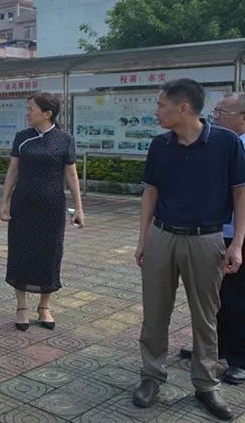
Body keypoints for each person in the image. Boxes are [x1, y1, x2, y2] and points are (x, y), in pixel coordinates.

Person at [132, 79, 244, 421]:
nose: (156, 112)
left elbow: (241, 194)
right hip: (162, 237)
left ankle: (206, 384)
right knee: (154, 314)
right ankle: (151, 376)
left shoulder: (225, 143)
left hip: (207, 239)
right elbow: (150, 193)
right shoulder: (160, 145)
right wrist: (143, 240)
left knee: (205, 317)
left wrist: (238, 243)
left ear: (183, 108)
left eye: (161, 105)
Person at [0, 92, 84, 331]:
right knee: (21, 253)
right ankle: (21, 306)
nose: (28, 113)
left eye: (31, 109)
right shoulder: (22, 138)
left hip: (52, 208)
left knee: (50, 253)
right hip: (23, 206)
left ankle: (44, 306)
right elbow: (13, 171)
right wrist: (4, 202)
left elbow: (71, 175)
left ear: (47, 113)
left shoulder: (65, 139)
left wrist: (79, 207)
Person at [178, 93, 245, 386]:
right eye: (215, 110)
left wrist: (238, 241)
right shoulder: (221, 144)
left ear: (243, 116)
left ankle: (240, 359)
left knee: (236, 298)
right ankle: (210, 347)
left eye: (221, 111)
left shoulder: (240, 147)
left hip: (236, 236)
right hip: (214, 233)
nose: (215, 116)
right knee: (210, 296)